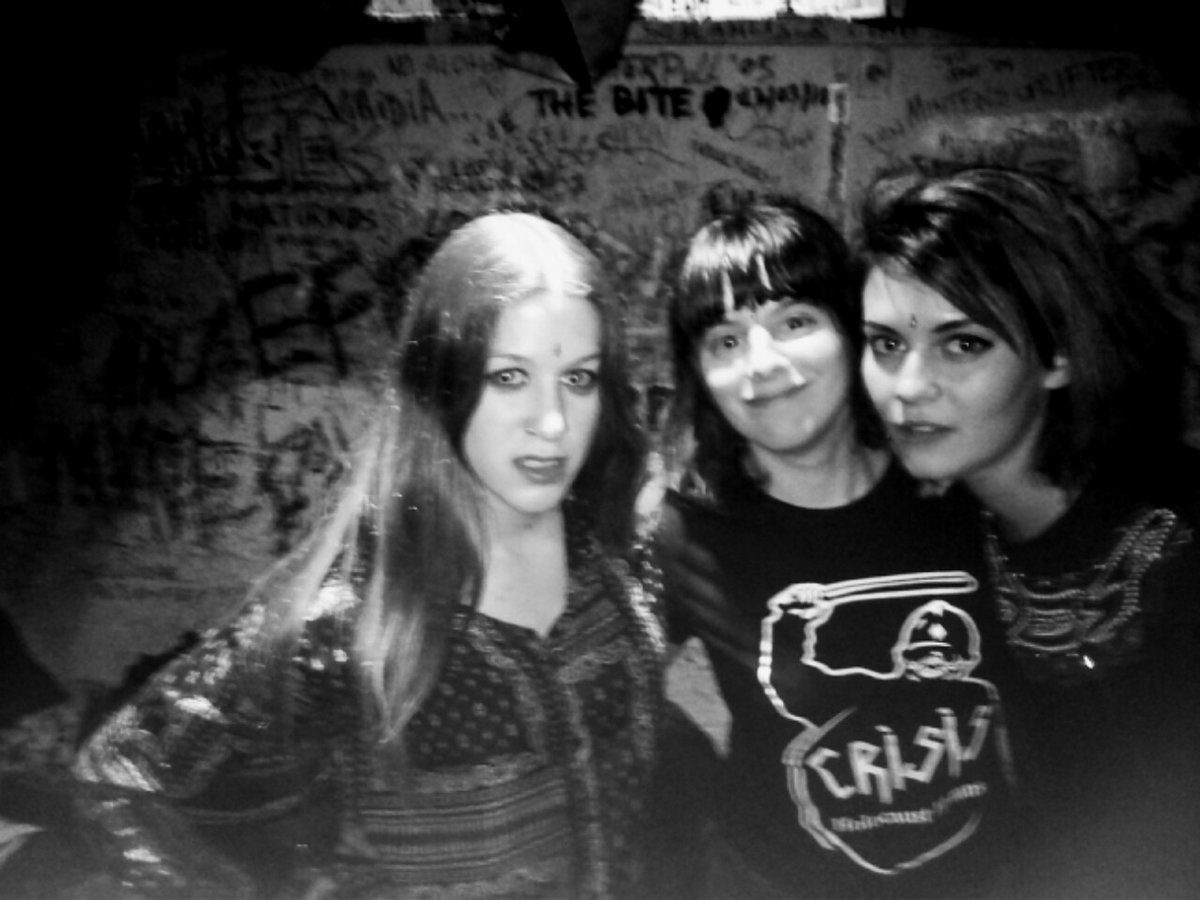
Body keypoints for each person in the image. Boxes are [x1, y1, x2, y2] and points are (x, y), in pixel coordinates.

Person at [71, 211, 664, 900]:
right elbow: (121, 775)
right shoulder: (352, 615)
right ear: (443, 383)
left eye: (579, 379)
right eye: (509, 377)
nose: (553, 422)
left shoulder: (617, 557)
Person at [651, 197, 1024, 899]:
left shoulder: (957, 489)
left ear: (853, 331)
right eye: (725, 341)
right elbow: (606, 686)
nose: (761, 364)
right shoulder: (685, 533)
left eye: (794, 322)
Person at [858, 166, 1200, 899]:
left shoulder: (1179, 541)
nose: (908, 387)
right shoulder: (948, 527)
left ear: (1058, 354)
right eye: (884, 344)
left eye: (963, 344)